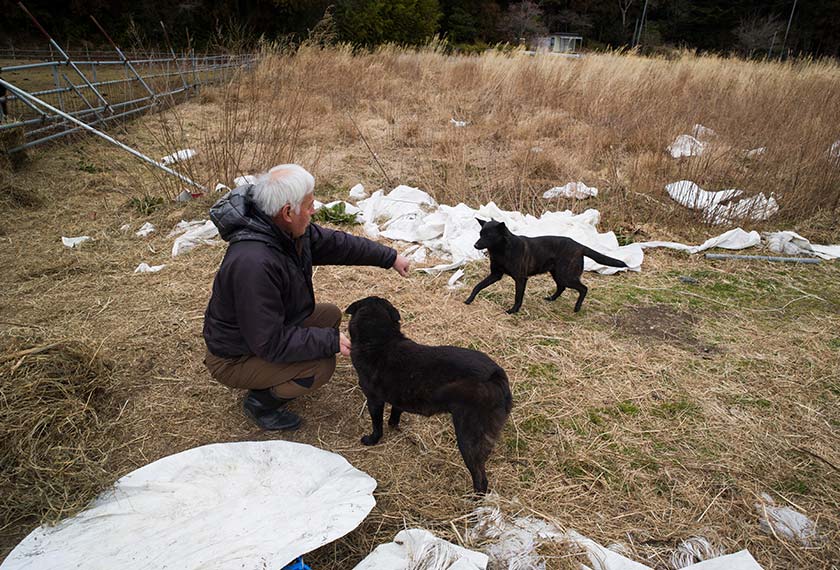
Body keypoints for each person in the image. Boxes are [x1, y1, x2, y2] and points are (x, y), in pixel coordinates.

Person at [203, 164, 409, 431]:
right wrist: (328, 341)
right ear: (287, 211)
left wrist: (389, 257)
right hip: (235, 356)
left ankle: (278, 374)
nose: (314, 210)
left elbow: (338, 245)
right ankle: (261, 402)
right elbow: (269, 341)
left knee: (330, 314)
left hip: (258, 333)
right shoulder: (253, 264)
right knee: (320, 366)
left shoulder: (282, 230)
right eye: (309, 204)